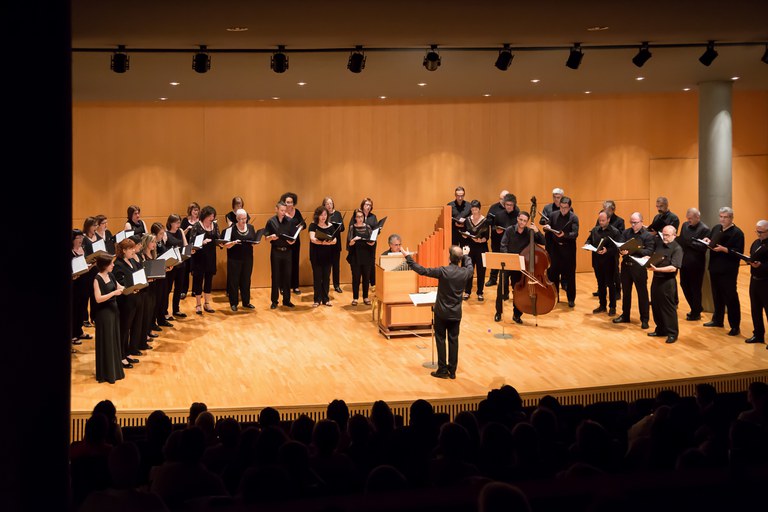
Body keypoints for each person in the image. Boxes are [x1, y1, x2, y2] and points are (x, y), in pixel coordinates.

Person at [403, 245, 473, 379]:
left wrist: (408, 257)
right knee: (454, 340)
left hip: (441, 313)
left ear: (449, 258)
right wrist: (466, 255)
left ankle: (442, 370)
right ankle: (452, 371)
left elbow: (422, 270)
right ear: (459, 260)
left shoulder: (443, 271)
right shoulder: (465, 273)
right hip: (456, 313)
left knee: (440, 339)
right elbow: (470, 267)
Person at [494, 211, 545, 324]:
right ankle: (498, 312)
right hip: (508, 263)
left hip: (521, 266)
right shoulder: (509, 230)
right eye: (520, 220)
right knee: (501, 288)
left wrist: (537, 231)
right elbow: (503, 245)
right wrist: (509, 258)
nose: (522, 222)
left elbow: (543, 241)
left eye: (524, 221)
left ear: (527, 222)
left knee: (518, 291)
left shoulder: (529, 232)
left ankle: (517, 315)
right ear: (517, 219)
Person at [702, 207, 745, 336]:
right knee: (717, 296)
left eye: (725, 217)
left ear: (731, 218)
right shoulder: (716, 228)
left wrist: (724, 249)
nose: (722, 219)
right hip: (714, 267)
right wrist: (707, 240)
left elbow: (739, 253)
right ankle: (718, 320)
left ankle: (735, 326)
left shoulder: (737, 233)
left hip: (728, 270)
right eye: (721, 216)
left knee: (730, 298)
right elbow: (711, 240)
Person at [613, 212, 656, 329]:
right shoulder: (626, 232)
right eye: (631, 222)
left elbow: (649, 251)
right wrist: (621, 250)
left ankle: (645, 319)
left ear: (641, 222)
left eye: (635, 222)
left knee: (642, 294)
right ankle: (625, 315)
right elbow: (621, 245)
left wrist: (634, 250)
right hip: (626, 266)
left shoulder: (647, 236)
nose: (633, 225)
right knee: (626, 293)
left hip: (639, 268)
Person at [92, 254, 125, 384]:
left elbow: (119, 287)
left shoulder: (110, 275)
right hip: (104, 313)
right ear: (104, 265)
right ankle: (106, 373)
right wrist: (113, 293)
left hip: (113, 311)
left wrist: (130, 289)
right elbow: (98, 299)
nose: (113, 265)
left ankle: (114, 370)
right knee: (107, 341)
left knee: (113, 340)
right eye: (111, 263)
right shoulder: (97, 279)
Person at [648, 226, 684, 343]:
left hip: (667, 282)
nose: (664, 237)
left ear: (674, 235)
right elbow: (655, 257)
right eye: (663, 234)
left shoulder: (677, 248)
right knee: (656, 305)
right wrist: (648, 259)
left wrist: (657, 269)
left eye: (667, 235)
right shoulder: (660, 244)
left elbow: (673, 268)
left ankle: (672, 333)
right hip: (656, 279)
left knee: (668, 308)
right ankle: (660, 329)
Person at [542, 196, 579, 307]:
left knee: (570, 275)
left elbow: (575, 233)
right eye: (561, 207)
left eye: (565, 208)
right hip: (555, 249)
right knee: (553, 274)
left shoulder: (574, 217)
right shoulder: (553, 215)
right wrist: (546, 227)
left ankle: (571, 299)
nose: (563, 209)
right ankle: (555, 297)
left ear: (569, 207)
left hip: (568, 250)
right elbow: (547, 228)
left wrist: (565, 235)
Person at [113, 238, 143, 368]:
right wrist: (131, 287)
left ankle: (126, 352)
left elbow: (138, 274)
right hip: (125, 301)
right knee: (123, 328)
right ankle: (120, 356)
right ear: (124, 250)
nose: (133, 250)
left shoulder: (132, 261)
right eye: (131, 249)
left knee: (129, 327)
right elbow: (120, 283)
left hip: (134, 298)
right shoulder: (118, 264)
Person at [676, 207, 710, 321]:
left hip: (696, 263)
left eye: (690, 218)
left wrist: (689, 242)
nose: (688, 220)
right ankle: (696, 307)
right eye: (687, 218)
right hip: (684, 261)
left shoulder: (705, 229)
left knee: (695, 288)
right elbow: (681, 240)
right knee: (684, 285)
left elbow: (703, 248)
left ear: (697, 217)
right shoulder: (685, 225)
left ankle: (695, 312)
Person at [585, 211, 621, 316]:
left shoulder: (615, 232)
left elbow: (617, 248)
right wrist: (587, 245)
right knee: (600, 284)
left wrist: (607, 250)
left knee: (611, 285)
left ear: (608, 220)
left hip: (610, 263)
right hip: (597, 262)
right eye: (599, 220)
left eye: (603, 220)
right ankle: (602, 305)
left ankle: (612, 307)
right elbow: (589, 240)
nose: (601, 222)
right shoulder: (595, 230)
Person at [188, 205, 220, 315]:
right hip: (199, 257)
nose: (212, 218)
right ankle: (198, 304)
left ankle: (207, 303)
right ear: (204, 216)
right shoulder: (197, 226)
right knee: (198, 280)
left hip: (211, 256)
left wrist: (221, 243)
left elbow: (218, 238)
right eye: (210, 216)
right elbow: (191, 243)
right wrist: (201, 242)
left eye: (213, 216)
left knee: (209, 279)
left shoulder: (215, 225)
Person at [265, 201, 296, 309]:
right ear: (276, 209)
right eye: (282, 210)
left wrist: (292, 241)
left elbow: (294, 236)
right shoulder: (271, 221)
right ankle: (274, 301)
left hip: (287, 251)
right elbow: (266, 238)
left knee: (287, 275)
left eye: (285, 210)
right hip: (276, 251)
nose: (284, 212)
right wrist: (271, 237)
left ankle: (287, 300)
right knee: (275, 276)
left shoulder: (290, 221)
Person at [226, 208, 258, 311]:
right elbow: (225, 244)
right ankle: (233, 303)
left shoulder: (251, 227)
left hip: (248, 258)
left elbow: (253, 239)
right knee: (234, 281)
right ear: (236, 218)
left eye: (245, 218)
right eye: (241, 219)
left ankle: (246, 302)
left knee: (246, 280)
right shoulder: (231, 229)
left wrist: (254, 242)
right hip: (234, 259)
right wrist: (233, 243)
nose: (243, 221)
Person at [487, 193, 519, 297]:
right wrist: (497, 230)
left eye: (511, 205)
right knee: (503, 272)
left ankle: (516, 291)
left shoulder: (518, 214)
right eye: (507, 205)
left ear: (514, 205)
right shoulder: (499, 215)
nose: (509, 207)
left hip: (514, 246)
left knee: (514, 273)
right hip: (501, 245)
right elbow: (493, 227)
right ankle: (505, 294)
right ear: (504, 204)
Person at [592, 200, 625, 298]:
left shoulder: (619, 221)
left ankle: (617, 291)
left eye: (607, 209)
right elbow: (596, 230)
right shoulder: (601, 218)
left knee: (614, 271)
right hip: (601, 249)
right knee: (600, 271)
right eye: (604, 208)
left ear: (612, 210)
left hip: (611, 250)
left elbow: (620, 236)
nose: (604, 211)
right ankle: (601, 289)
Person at [460, 200, 490, 301]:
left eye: (476, 209)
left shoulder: (485, 220)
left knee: (481, 270)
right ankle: (467, 291)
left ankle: (480, 292)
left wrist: (480, 240)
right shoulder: (467, 220)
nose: (474, 211)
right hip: (469, 247)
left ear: (479, 209)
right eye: (472, 209)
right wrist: (464, 235)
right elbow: (464, 232)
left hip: (481, 248)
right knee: (468, 269)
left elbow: (487, 236)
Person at [309, 206, 338, 307]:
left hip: (327, 255)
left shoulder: (330, 226)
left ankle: (326, 299)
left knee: (326, 278)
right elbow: (312, 238)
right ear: (317, 215)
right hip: (316, 255)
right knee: (317, 278)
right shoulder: (313, 225)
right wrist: (322, 242)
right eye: (321, 215)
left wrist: (328, 242)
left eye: (325, 215)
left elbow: (335, 240)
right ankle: (317, 300)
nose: (323, 217)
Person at [745, 220, 768, 345]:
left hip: (766, 281)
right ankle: (758, 335)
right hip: (754, 280)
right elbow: (752, 255)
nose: (758, 234)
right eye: (757, 231)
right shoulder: (756, 242)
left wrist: (761, 266)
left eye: (761, 232)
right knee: (755, 309)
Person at [347, 209, 376, 306]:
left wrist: (372, 243)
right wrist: (354, 240)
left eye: (361, 217)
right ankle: (355, 298)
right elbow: (349, 243)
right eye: (358, 217)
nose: (360, 218)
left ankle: (365, 297)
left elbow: (373, 240)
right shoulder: (352, 227)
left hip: (367, 256)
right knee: (356, 277)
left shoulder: (368, 227)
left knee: (366, 278)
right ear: (355, 218)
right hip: (356, 256)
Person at [71, 229, 94, 346]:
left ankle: (79, 331)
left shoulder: (82, 249)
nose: (81, 239)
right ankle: (72, 334)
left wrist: (90, 266)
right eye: (78, 237)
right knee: (74, 309)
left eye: (82, 237)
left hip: (84, 282)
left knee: (82, 308)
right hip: (75, 285)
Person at [164, 214, 188, 319]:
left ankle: (176, 309)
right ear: (171, 223)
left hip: (181, 264)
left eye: (179, 222)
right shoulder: (166, 234)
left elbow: (185, 245)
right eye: (177, 222)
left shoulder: (181, 231)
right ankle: (164, 311)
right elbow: (163, 250)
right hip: (171, 266)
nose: (179, 224)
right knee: (168, 289)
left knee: (179, 288)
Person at [484, 190, 510, 286]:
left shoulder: (513, 208)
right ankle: (493, 279)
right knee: (495, 258)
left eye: (504, 199)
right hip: (496, 238)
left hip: (509, 239)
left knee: (508, 259)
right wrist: (495, 228)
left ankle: (508, 279)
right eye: (501, 198)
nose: (502, 200)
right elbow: (488, 221)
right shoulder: (493, 208)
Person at [282, 192, 304, 295]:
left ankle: (295, 286)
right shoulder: (282, 213)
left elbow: (304, 224)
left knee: (295, 263)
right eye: (287, 202)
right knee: (285, 265)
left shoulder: (297, 212)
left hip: (295, 241)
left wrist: (300, 227)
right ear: (284, 203)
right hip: (285, 242)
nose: (289, 204)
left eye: (291, 202)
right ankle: (283, 286)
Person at [323, 196, 345, 293]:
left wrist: (338, 227)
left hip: (336, 244)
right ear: (324, 205)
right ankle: (325, 285)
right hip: (326, 244)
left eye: (331, 203)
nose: (329, 205)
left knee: (336, 266)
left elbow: (343, 228)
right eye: (327, 204)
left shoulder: (338, 214)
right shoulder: (323, 215)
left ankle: (336, 285)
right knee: (326, 266)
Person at [180, 202, 200, 300]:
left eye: (197, 210)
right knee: (186, 270)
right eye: (194, 210)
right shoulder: (185, 221)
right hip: (187, 248)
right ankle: (184, 291)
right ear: (190, 211)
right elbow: (181, 234)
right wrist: (188, 228)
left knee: (196, 270)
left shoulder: (200, 221)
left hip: (197, 248)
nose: (196, 212)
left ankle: (195, 290)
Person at [359, 197, 379, 288]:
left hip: (371, 243)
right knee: (361, 262)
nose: (368, 206)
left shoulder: (373, 217)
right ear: (363, 205)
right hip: (361, 243)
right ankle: (363, 283)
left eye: (370, 205)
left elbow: (376, 230)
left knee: (371, 262)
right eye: (367, 204)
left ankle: (373, 283)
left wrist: (374, 239)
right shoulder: (358, 215)